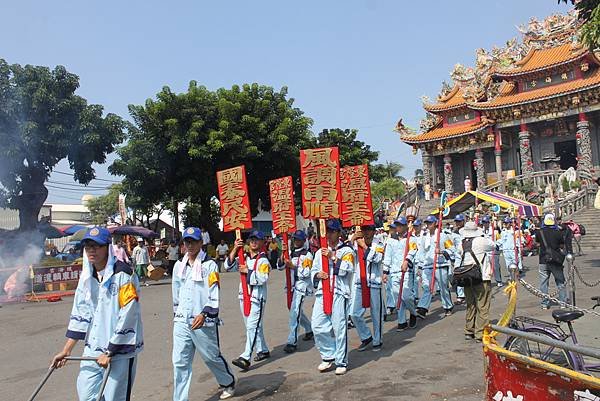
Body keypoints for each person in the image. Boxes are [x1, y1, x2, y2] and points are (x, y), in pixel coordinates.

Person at [51, 227, 143, 401]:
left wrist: (110, 352)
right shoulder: (86, 277)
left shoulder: (123, 275)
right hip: (92, 349)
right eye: (88, 247)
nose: (91, 250)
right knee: (86, 395)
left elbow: (129, 315)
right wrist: (66, 350)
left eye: (96, 246)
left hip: (119, 350)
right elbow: (81, 313)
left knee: (115, 397)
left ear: (107, 247)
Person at [172, 227, 235, 401]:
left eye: (194, 241)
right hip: (182, 321)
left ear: (201, 243)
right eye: (187, 241)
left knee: (211, 357)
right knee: (180, 362)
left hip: (203, 320)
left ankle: (228, 381)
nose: (190, 245)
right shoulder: (179, 266)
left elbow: (214, 291)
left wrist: (205, 314)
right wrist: (176, 315)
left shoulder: (210, 265)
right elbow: (176, 293)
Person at [311, 219, 355, 375]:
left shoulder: (347, 250)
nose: (329, 235)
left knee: (339, 327)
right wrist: (317, 274)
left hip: (339, 292)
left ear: (338, 233)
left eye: (332, 231)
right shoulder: (319, 252)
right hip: (322, 292)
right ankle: (328, 355)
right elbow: (313, 270)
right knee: (316, 325)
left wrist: (333, 258)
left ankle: (341, 360)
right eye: (327, 232)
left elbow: (347, 269)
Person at [226, 230, 271, 370]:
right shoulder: (243, 257)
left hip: (257, 297)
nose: (253, 242)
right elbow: (228, 266)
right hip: (244, 295)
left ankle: (245, 357)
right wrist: (235, 248)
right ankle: (262, 349)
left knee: (252, 326)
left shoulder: (263, 260)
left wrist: (248, 272)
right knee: (253, 326)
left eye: (257, 239)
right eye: (252, 239)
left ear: (263, 242)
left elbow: (263, 278)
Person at [277, 230, 314, 354]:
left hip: (301, 285)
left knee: (294, 311)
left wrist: (293, 267)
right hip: (291, 285)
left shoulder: (307, 255)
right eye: (295, 239)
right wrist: (282, 256)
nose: (297, 241)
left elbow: (307, 273)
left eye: (299, 239)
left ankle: (292, 341)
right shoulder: (290, 253)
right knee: (293, 309)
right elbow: (280, 267)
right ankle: (309, 329)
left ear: (304, 241)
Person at [349, 224, 385, 351]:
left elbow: (377, 258)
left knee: (376, 314)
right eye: (364, 229)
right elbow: (347, 256)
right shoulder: (356, 243)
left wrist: (363, 246)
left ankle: (377, 340)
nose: (366, 232)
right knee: (354, 313)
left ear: (374, 231)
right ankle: (366, 336)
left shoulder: (379, 243)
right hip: (360, 282)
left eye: (369, 229)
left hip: (374, 282)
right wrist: (352, 240)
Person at [457, 222, 494, 342]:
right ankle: (480, 333)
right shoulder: (482, 241)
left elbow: (459, 253)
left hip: (467, 277)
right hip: (481, 277)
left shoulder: (462, 243)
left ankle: (469, 330)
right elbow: (493, 245)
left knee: (470, 305)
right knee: (482, 306)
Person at [416, 215, 455, 318]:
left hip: (440, 264)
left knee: (443, 287)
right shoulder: (425, 237)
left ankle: (448, 306)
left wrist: (442, 251)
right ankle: (423, 308)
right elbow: (422, 252)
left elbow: (452, 249)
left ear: (435, 223)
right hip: (428, 265)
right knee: (427, 287)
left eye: (430, 223)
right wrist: (420, 266)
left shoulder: (443, 236)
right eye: (427, 223)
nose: (428, 225)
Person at [535, 214, 569, 310]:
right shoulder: (558, 233)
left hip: (543, 260)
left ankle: (544, 303)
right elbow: (562, 246)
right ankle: (562, 302)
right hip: (556, 260)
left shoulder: (539, 232)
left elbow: (537, 243)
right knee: (560, 281)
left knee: (543, 283)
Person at [481, 216, 503, 286]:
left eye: (486, 222)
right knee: (486, 267)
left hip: (493, 252)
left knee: (495, 267)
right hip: (485, 252)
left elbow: (500, 239)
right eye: (484, 223)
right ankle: (487, 281)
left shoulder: (495, 231)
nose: (485, 224)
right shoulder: (481, 232)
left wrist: (496, 245)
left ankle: (499, 280)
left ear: (489, 223)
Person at [451, 214, 466, 305]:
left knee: (467, 275)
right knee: (457, 275)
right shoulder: (453, 233)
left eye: (459, 221)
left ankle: (467, 293)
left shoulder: (467, 231)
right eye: (456, 221)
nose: (457, 223)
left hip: (467, 255)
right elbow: (452, 245)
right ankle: (460, 295)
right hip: (458, 256)